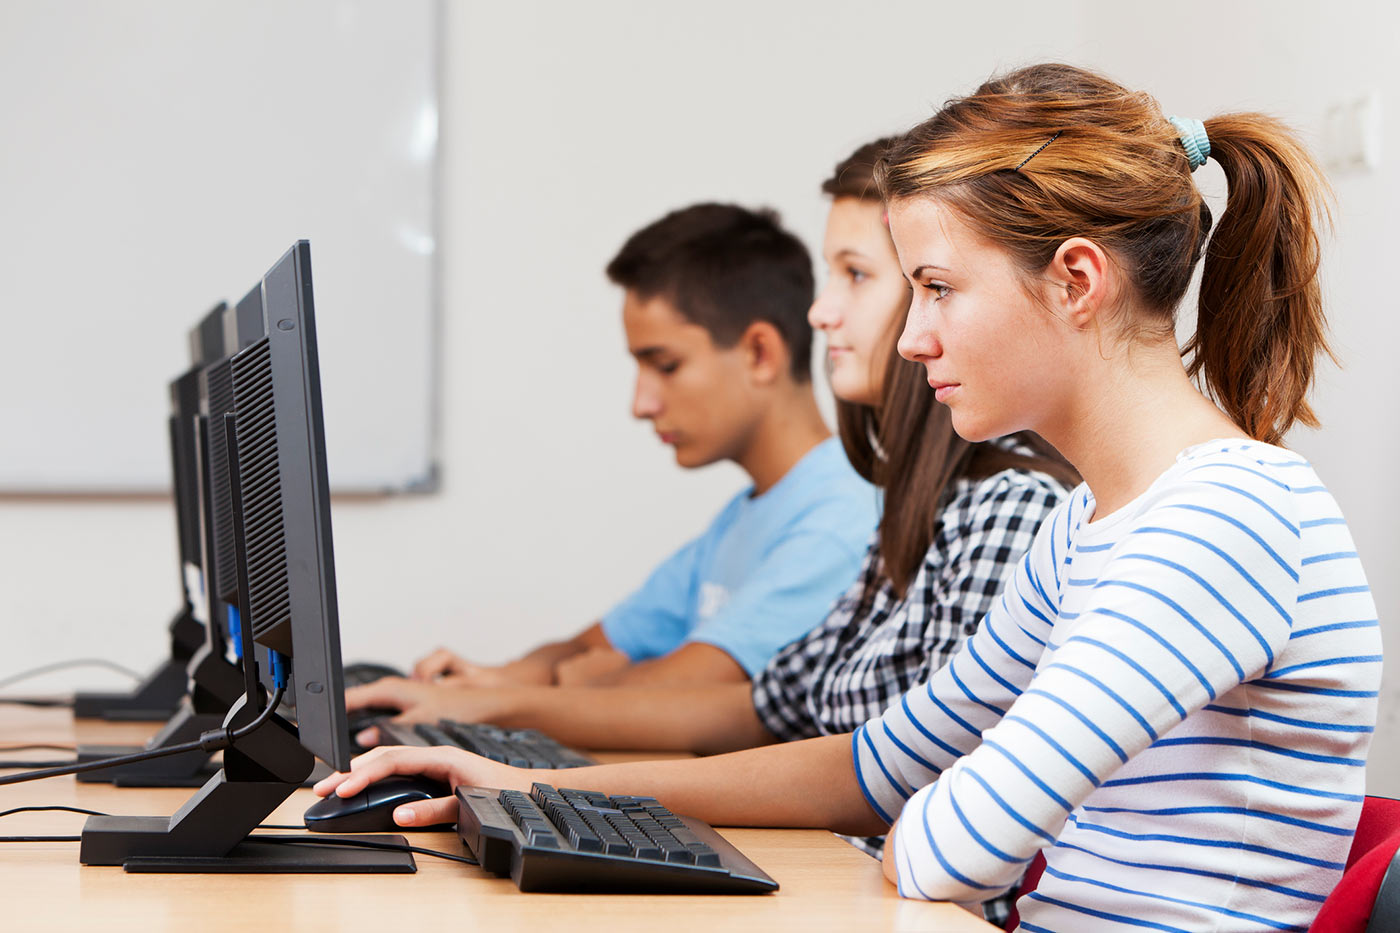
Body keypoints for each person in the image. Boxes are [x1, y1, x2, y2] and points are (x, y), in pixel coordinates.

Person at [319, 66, 1380, 931]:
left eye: (937, 289)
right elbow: (880, 763)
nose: (911, 340)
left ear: (1074, 280)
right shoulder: (1089, 523)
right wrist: (530, 791)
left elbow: (946, 850)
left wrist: (921, 818)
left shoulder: (1220, 525)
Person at [408, 203, 877, 690]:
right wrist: (495, 680)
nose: (641, 404)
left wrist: (598, 682)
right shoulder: (742, 519)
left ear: (759, 353)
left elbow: (689, 694)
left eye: (666, 365)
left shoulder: (842, 518)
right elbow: (590, 647)